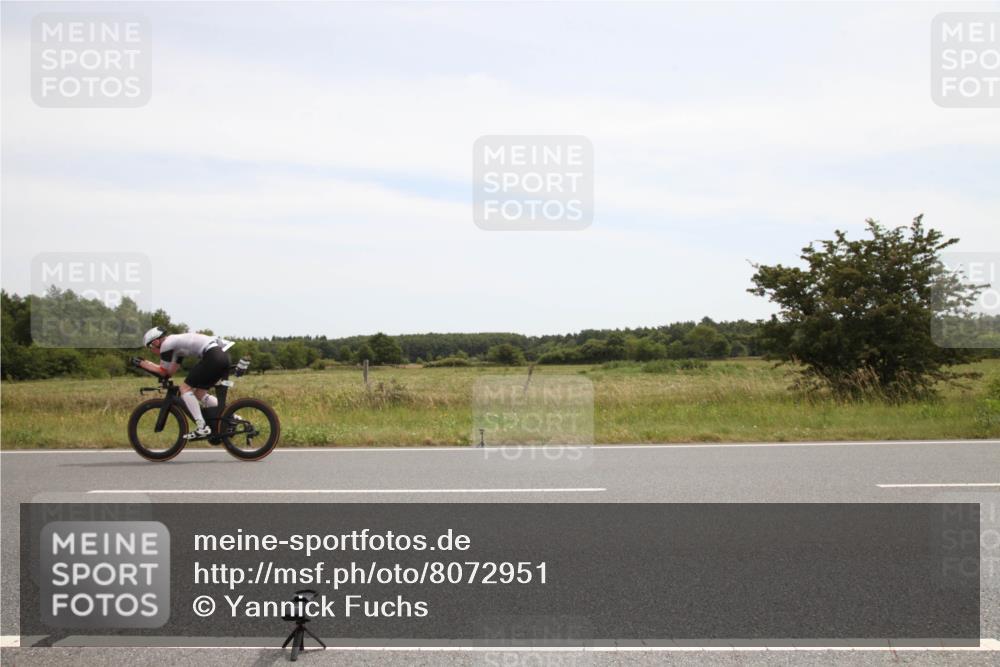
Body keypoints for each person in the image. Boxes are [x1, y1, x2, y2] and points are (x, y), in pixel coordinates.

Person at [132, 327, 232, 439]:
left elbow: (162, 371)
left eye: (150, 347)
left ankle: (202, 427)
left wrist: (142, 364)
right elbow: (169, 372)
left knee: (185, 389)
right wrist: (147, 364)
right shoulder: (176, 347)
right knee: (199, 394)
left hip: (212, 356)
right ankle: (232, 415)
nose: (151, 350)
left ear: (156, 341)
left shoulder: (167, 344)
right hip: (220, 356)